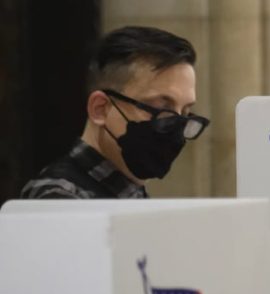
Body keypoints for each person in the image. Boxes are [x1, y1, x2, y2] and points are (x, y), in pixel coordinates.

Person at [20, 26, 208, 199]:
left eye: (185, 112)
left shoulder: (130, 194)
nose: (176, 127)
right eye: (160, 108)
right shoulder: (60, 199)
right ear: (100, 109)